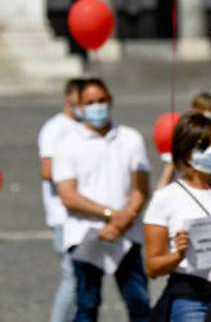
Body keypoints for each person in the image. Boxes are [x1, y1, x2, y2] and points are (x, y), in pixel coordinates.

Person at [53, 77, 151, 322]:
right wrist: (110, 215)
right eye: (90, 102)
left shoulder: (130, 138)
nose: (97, 106)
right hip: (85, 235)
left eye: (101, 100)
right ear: (80, 106)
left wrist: (121, 221)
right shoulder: (67, 144)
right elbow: (68, 195)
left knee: (138, 301)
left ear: (110, 100)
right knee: (87, 302)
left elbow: (140, 187)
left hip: (127, 234)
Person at [144, 112, 211, 322]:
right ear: (185, 150)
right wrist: (178, 254)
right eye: (203, 145)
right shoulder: (166, 198)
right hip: (192, 296)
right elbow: (153, 267)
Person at [39, 78, 84, 322]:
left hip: (83, 213)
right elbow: (47, 170)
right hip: (62, 213)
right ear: (69, 98)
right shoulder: (54, 128)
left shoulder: (83, 126)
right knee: (72, 275)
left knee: (83, 276)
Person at [156, 92, 211, 190]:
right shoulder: (184, 138)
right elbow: (168, 171)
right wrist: (160, 196)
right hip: (188, 191)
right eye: (203, 111)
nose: (208, 117)